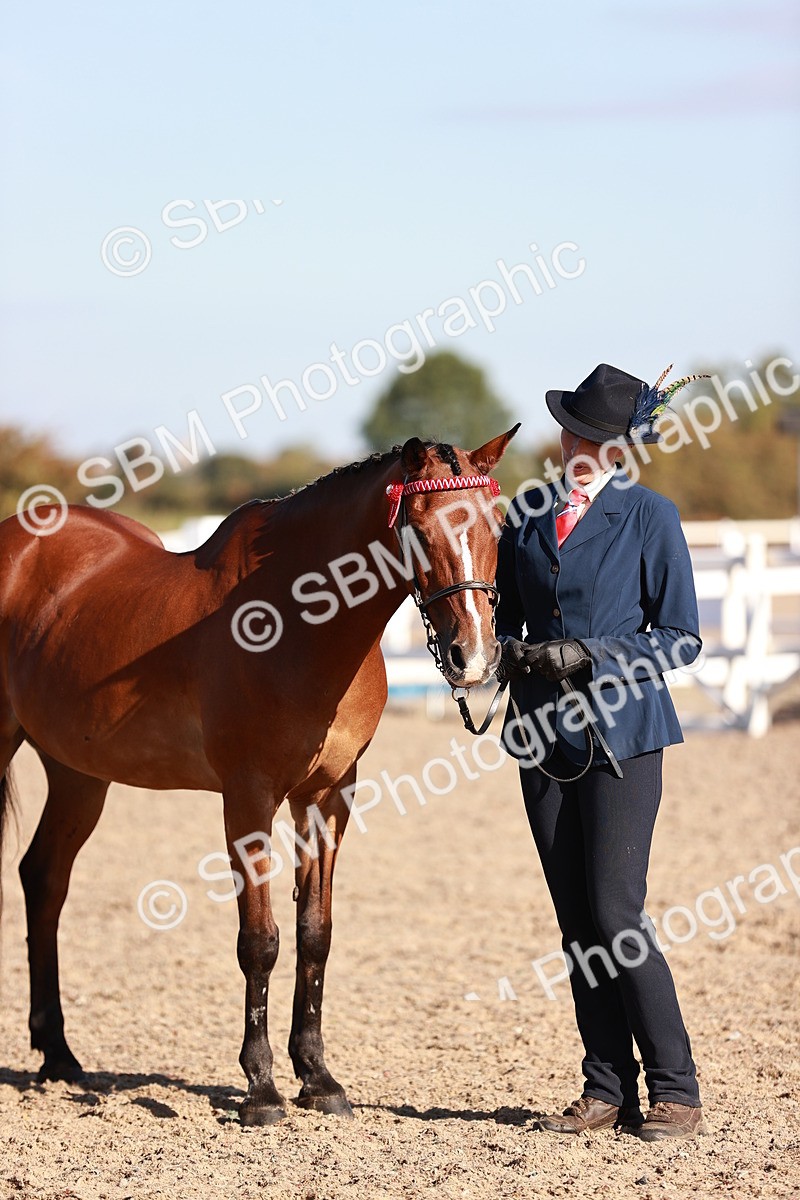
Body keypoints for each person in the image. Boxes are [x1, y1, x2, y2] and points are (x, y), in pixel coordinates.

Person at [495, 362, 707, 1142]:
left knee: (618, 911)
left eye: (595, 436)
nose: (578, 444)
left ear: (620, 446)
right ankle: (604, 1088)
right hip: (543, 739)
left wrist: (588, 655)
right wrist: (505, 651)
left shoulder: (650, 516)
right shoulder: (526, 513)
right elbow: (508, 615)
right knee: (577, 923)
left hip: (623, 738)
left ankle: (676, 1090)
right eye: (573, 429)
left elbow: (679, 637)